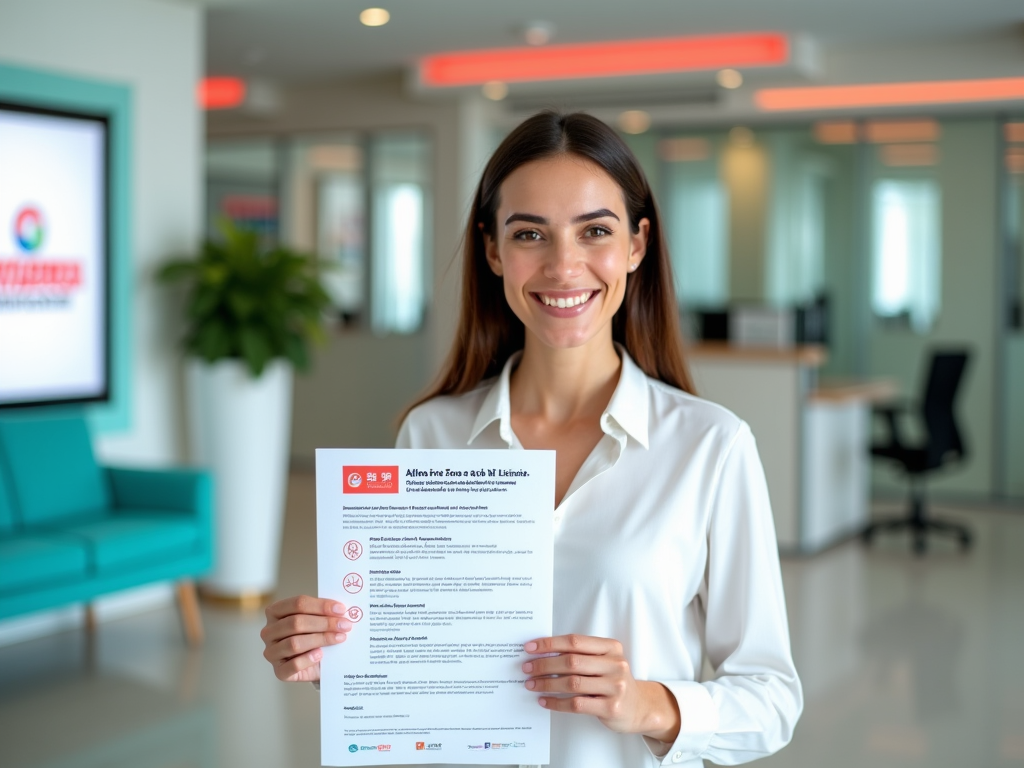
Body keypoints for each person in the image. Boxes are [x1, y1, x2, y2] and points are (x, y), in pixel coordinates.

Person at [261, 111, 802, 767]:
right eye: (530, 234)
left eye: (594, 231)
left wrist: (646, 703)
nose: (563, 266)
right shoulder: (431, 433)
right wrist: (331, 657)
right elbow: (407, 662)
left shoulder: (710, 446)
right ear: (493, 250)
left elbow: (771, 698)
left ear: (636, 245)